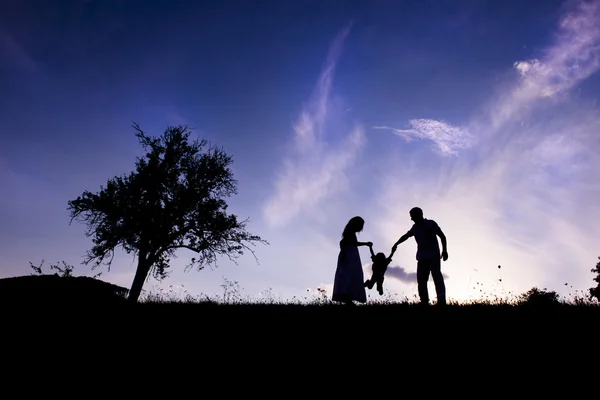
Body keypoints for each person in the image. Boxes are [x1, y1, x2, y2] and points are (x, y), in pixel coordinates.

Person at [392, 207, 448, 306]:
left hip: (433, 256)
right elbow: (406, 236)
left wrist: (444, 250)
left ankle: (441, 301)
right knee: (421, 280)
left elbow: (442, 236)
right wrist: (396, 243)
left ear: (419, 215)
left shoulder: (430, 223)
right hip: (422, 257)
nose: (411, 219)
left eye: (412, 216)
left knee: (437, 278)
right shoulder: (415, 228)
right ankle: (424, 301)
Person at [332, 216, 372, 305]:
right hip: (349, 257)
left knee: (351, 276)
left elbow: (342, 243)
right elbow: (350, 243)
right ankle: (348, 298)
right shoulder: (349, 232)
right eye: (360, 225)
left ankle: (348, 298)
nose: (361, 227)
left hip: (350, 256)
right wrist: (366, 243)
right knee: (350, 276)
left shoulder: (350, 232)